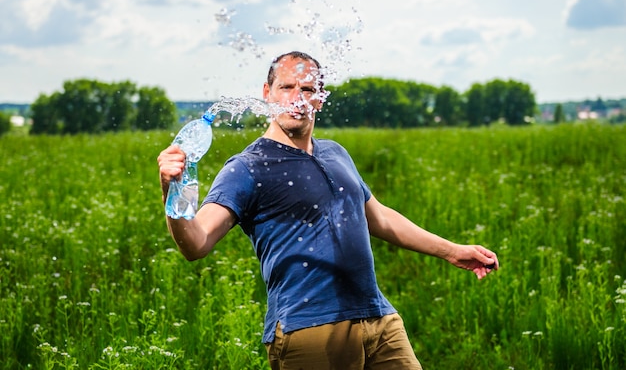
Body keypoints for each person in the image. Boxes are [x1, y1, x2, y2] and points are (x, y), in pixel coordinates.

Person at [157, 51, 499, 369]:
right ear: (267, 92)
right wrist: (171, 189)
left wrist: (453, 251)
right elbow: (196, 243)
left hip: (378, 319)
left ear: (320, 97)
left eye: (307, 88)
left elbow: (378, 217)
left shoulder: (335, 153)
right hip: (309, 328)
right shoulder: (247, 168)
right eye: (287, 87)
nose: (297, 97)